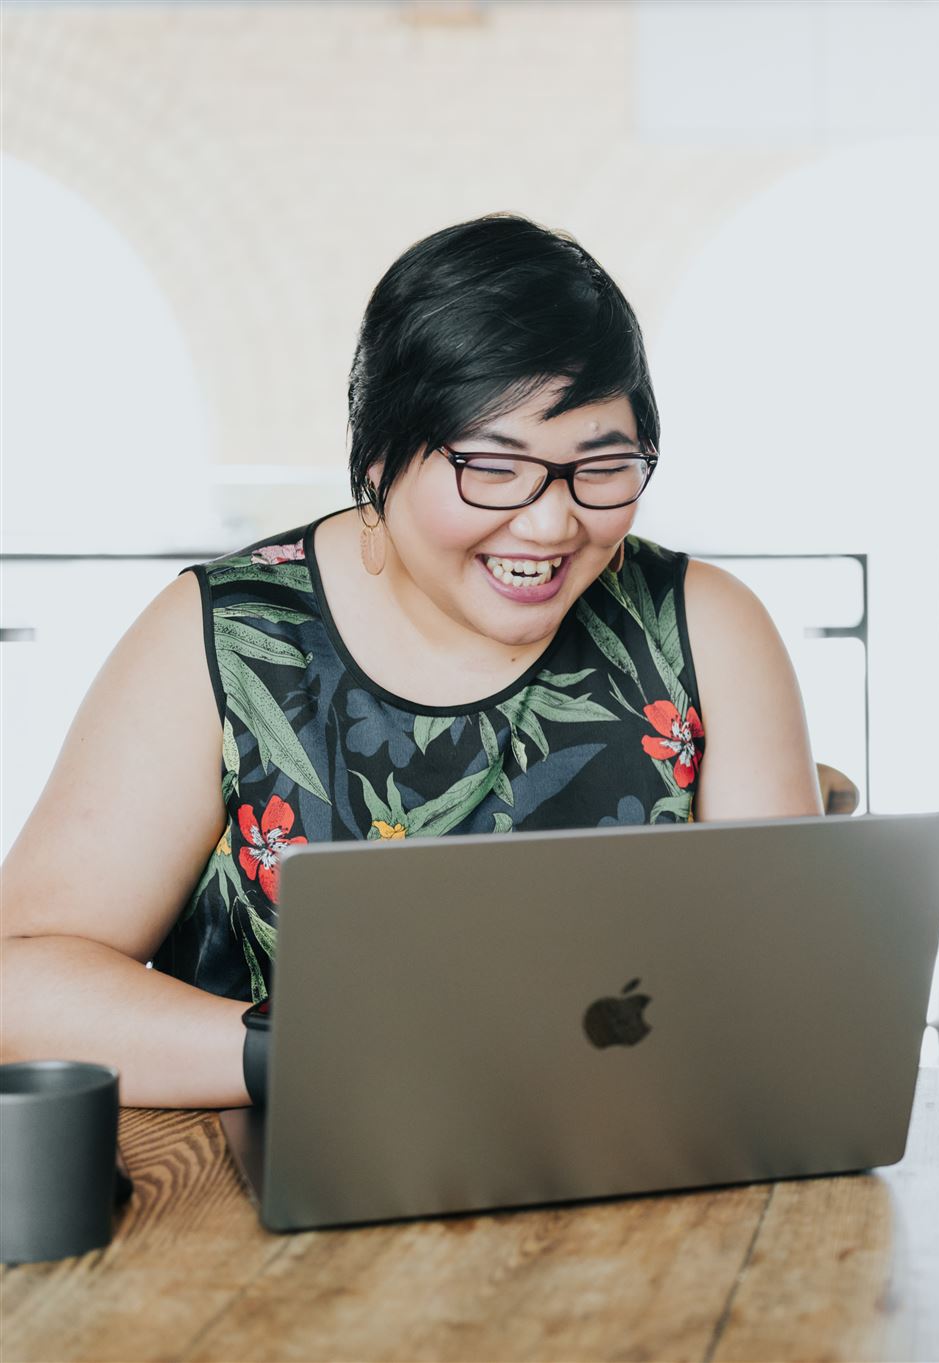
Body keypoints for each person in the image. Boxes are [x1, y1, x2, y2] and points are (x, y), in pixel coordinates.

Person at [0, 215, 821, 1108]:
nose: (551, 526)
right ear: (382, 457)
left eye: (601, 466)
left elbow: (785, 997)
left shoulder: (706, 628)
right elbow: (23, 984)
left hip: (634, 1163)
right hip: (283, 1183)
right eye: (492, 467)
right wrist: (303, 1054)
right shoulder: (228, 637)